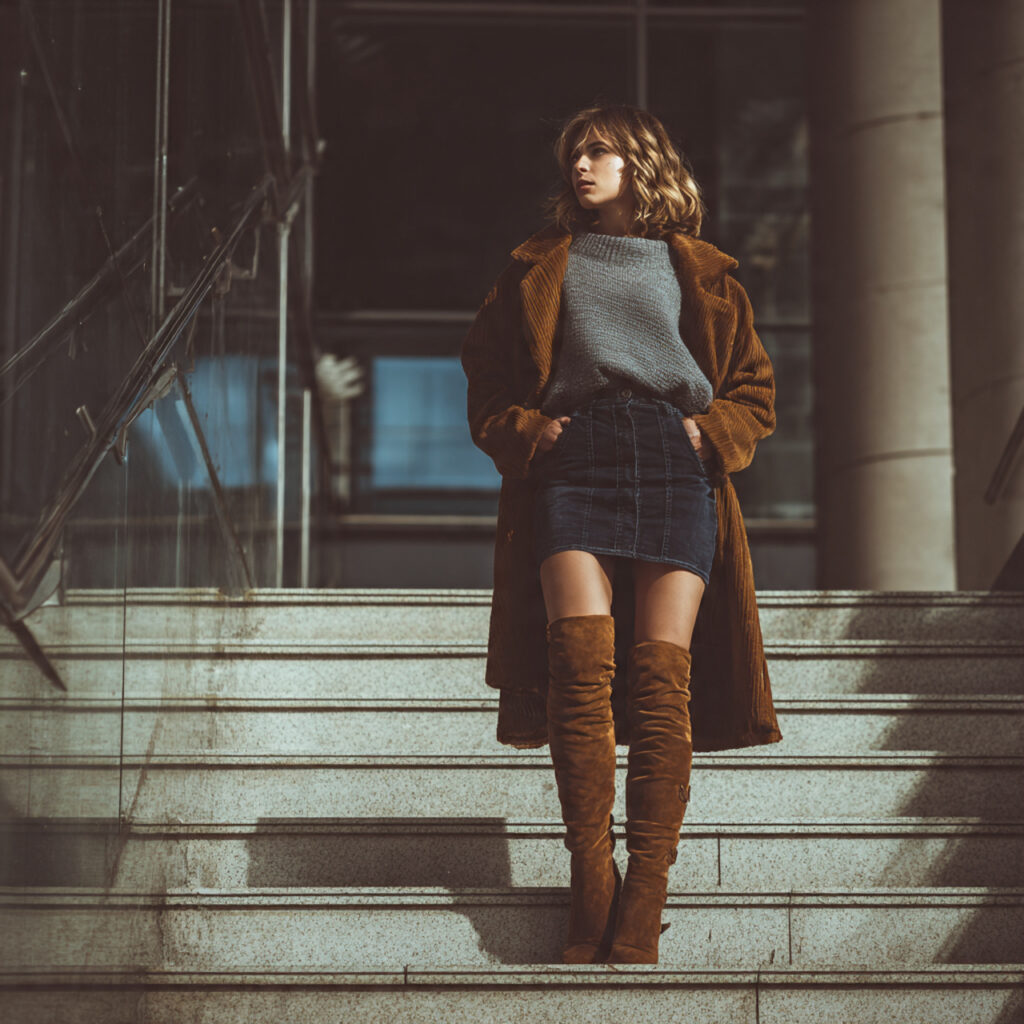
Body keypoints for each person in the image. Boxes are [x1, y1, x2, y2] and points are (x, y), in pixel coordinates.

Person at [460, 104, 781, 966]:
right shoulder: (540, 264)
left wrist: (712, 434)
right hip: (574, 456)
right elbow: (485, 375)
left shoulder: (701, 270)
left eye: (600, 150)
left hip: (675, 458)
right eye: (575, 153)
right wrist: (528, 431)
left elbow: (754, 389)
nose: (582, 165)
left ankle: (646, 894)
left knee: (661, 682)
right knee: (578, 673)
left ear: (643, 162)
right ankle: (590, 880)